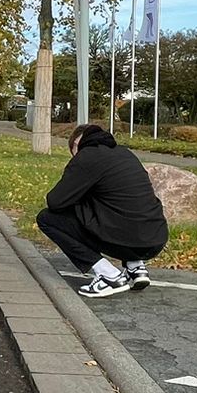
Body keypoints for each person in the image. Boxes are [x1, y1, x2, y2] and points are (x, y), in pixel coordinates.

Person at [37, 123, 169, 299]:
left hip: (127, 238)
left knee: (47, 219)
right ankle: (135, 267)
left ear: (76, 144)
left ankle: (109, 276)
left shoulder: (87, 157)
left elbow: (55, 202)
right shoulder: (125, 154)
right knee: (119, 209)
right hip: (156, 238)